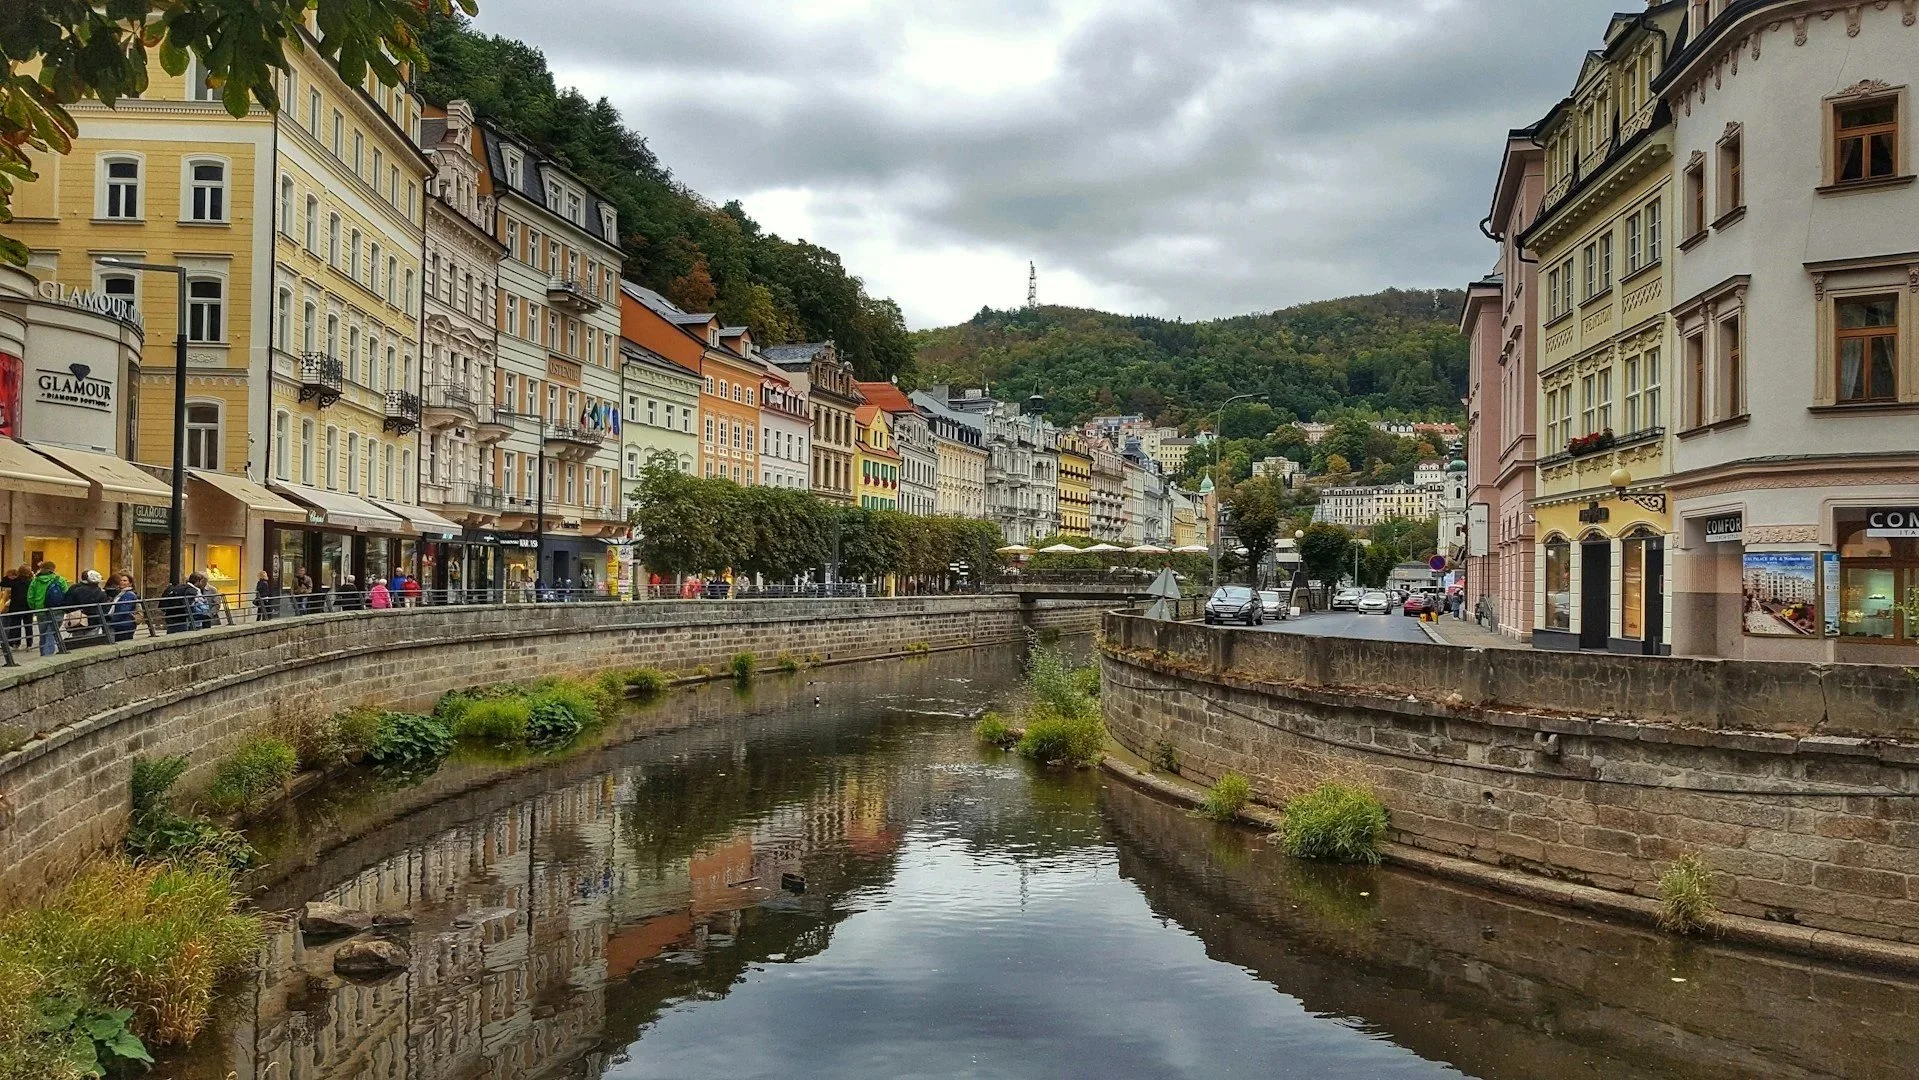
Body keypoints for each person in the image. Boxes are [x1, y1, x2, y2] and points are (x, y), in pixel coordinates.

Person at [26, 561, 68, 657]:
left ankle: (44, 653)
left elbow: (30, 597)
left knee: (43, 633)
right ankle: (48, 654)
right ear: (53, 569)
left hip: (40, 611)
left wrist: (34, 607)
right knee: (51, 631)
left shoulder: (35, 581)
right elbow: (66, 594)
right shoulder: (60, 580)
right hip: (56, 610)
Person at [61, 570, 109, 648]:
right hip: (93, 621)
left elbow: (66, 604)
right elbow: (104, 609)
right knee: (90, 643)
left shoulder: (75, 589)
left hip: (77, 619)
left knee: (77, 641)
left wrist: (74, 612)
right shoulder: (101, 593)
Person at [1, 565, 29, 653]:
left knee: (16, 626)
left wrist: (8, 576)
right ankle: (29, 644)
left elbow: (3, 583)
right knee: (28, 626)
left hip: (16, 606)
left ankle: (15, 643)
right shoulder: (31, 581)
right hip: (28, 606)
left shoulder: (15, 581)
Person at [107, 573, 139, 643]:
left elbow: (123, 610)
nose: (122, 582)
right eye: (121, 580)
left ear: (130, 583)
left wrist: (112, 621)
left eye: (125, 580)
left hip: (124, 624)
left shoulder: (128, 595)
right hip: (121, 624)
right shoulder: (121, 594)